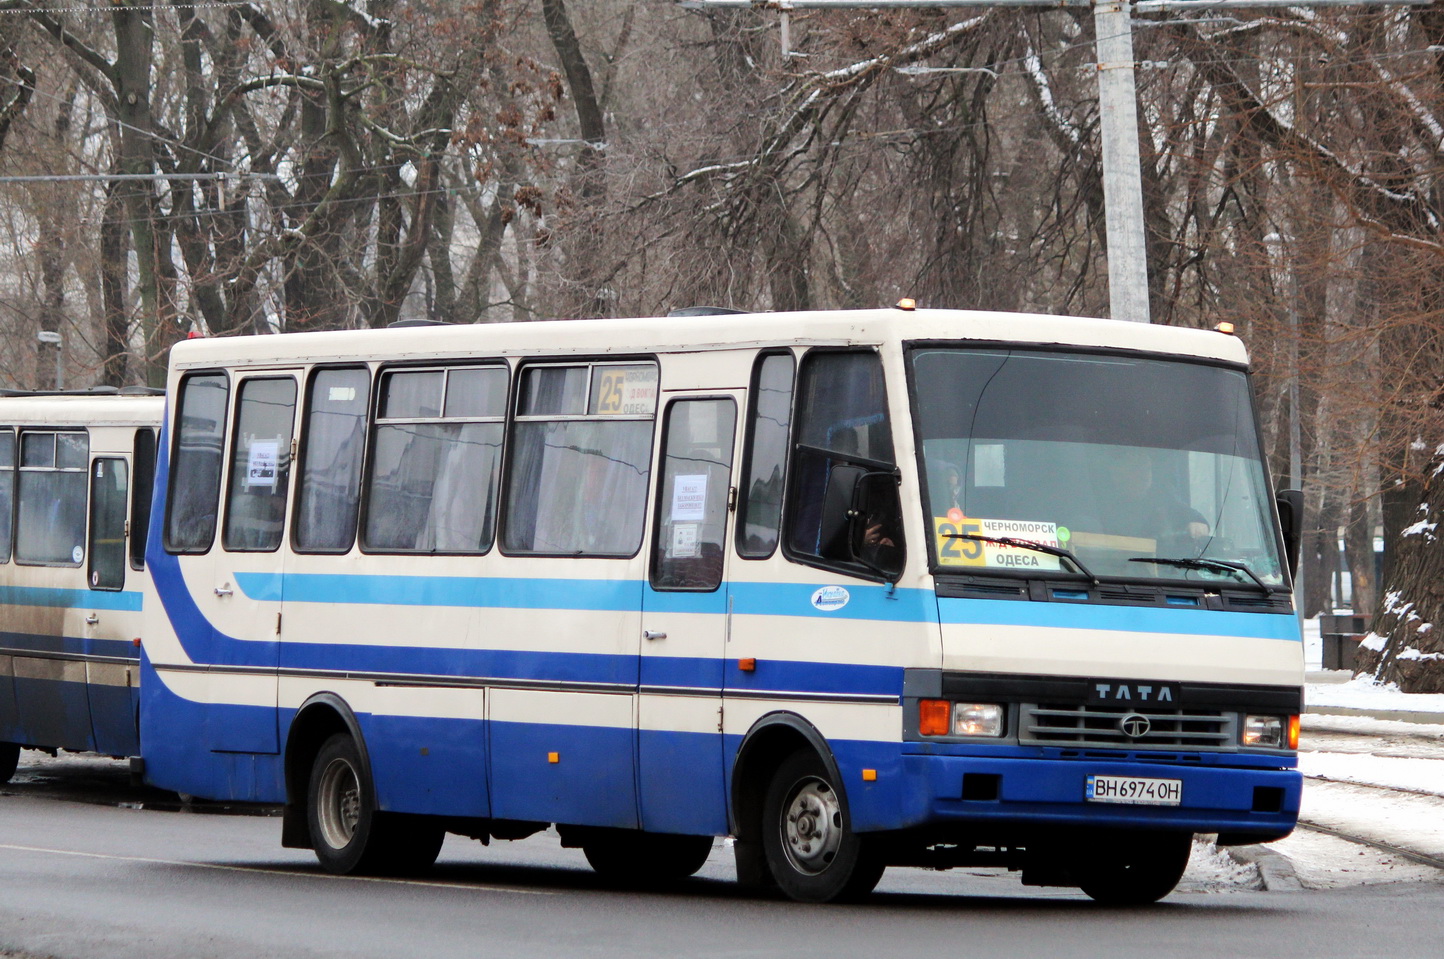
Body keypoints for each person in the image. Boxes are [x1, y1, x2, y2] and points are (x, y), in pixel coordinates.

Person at [1105, 447, 1208, 546]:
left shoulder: (1163, 499)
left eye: (1147, 468)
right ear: (1116, 474)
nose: (1145, 474)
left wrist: (1198, 523)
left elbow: (1190, 515)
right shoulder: (1102, 505)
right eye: (1136, 468)